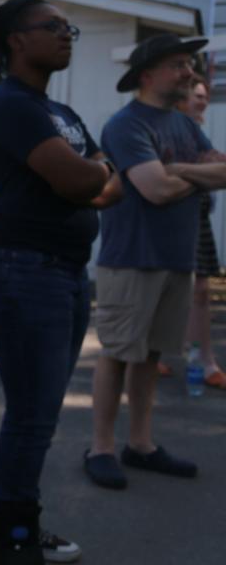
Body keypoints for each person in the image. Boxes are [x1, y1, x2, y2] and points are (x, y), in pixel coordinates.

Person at [0, 0, 122, 565]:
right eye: (53, 27)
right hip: (23, 270)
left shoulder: (58, 112)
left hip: (63, 272)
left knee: (41, 412)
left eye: (69, 28)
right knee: (32, 415)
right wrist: (92, 176)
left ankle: (13, 526)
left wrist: (93, 177)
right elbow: (82, 178)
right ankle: (11, 538)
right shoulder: (11, 106)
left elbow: (108, 185)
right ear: (16, 39)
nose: (67, 36)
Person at [85, 34, 226, 491]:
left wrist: (179, 170)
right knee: (118, 354)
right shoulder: (127, 125)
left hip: (175, 259)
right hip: (131, 260)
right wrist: (192, 175)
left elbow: (221, 171)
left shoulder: (183, 125)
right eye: (179, 65)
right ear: (148, 75)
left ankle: (140, 444)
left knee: (150, 357)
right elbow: (155, 190)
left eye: (189, 64)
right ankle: (101, 448)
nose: (189, 73)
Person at [174, 74, 226, 388]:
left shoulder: (197, 133)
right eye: (197, 95)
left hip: (199, 217)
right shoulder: (168, 129)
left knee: (202, 292)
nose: (203, 100)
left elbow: (220, 167)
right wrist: (200, 170)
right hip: (173, 218)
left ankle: (204, 361)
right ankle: (151, 358)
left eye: (205, 95)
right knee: (163, 291)